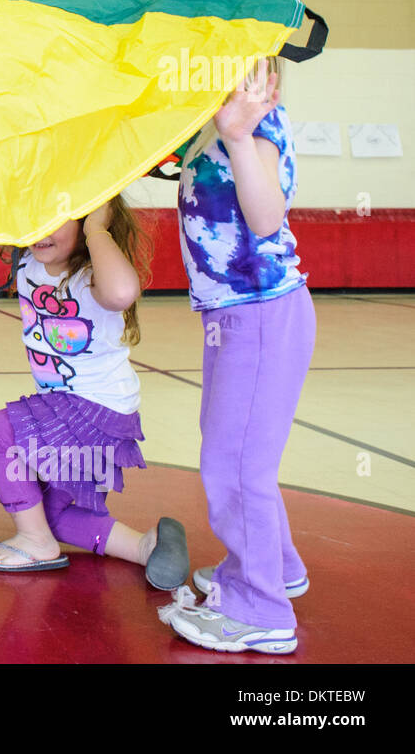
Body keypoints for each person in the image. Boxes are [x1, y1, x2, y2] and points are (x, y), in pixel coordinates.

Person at [157, 57, 311, 655]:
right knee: (237, 449)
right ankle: (280, 568)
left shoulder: (258, 126)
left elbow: (268, 216)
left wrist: (241, 135)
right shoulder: (211, 127)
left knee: (234, 464)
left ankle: (260, 608)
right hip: (232, 316)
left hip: (261, 311)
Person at [0, 196, 189, 589]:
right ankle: (146, 546)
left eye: (57, 219)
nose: (43, 229)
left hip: (94, 412)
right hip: (77, 411)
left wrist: (96, 229)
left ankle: (35, 542)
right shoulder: (28, 266)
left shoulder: (91, 277)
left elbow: (122, 293)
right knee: (54, 515)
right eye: (35, 218)